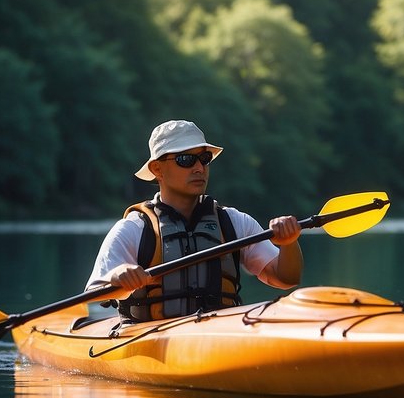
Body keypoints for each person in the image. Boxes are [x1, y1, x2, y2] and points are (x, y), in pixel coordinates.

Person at [86, 119, 302, 321]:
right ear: (157, 169)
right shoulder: (134, 228)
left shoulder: (234, 222)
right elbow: (95, 292)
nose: (199, 168)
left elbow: (285, 279)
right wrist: (117, 276)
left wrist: (289, 243)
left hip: (217, 337)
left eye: (204, 159)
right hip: (151, 340)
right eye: (186, 159)